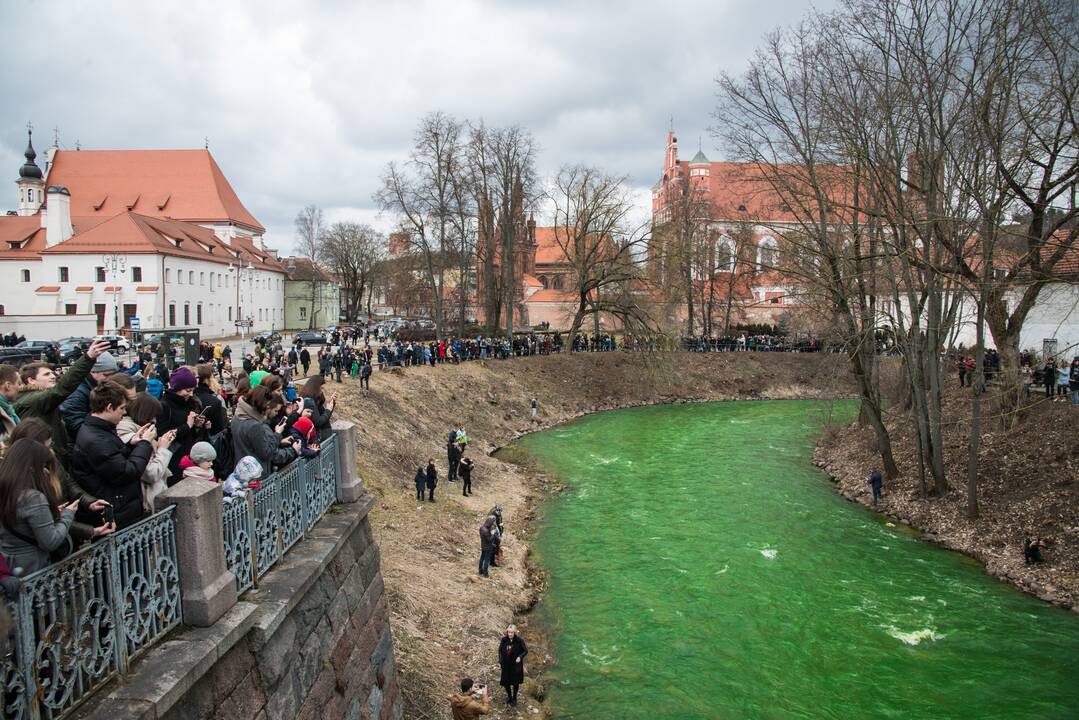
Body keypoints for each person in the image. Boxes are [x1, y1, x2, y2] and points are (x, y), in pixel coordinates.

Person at [69, 382, 160, 530]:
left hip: (121, 506)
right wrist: (145, 444)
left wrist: (133, 444)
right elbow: (126, 472)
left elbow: (114, 458)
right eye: (122, 408)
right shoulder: (96, 439)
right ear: (109, 407)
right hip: (117, 510)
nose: (124, 413)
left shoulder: (99, 430)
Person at [15, 340, 110, 467]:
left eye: (52, 373)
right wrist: (88, 358)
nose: (53, 376)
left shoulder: (36, 399)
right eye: (46, 374)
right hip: (48, 461)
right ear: (31, 380)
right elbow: (63, 387)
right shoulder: (36, 400)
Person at [0, 439, 81, 574]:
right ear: (32, 466)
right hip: (35, 569)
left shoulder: (6, 490)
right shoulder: (33, 498)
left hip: (10, 564)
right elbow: (50, 542)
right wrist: (68, 514)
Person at [116, 393, 176, 514]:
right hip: (147, 502)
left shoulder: (138, 429)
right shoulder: (130, 434)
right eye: (153, 416)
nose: (154, 420)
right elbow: (151, 474)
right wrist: (163, 449)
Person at [232, 386, 299, 472]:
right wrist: (278, 434)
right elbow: (266, 453)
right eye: (267, 405)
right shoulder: (255, 426)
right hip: (256, 474)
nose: (268, 408)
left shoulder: (238, 415)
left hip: (243, 469)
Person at [157, 367, 207, 481]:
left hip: (188, 457)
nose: (190, 394)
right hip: (173, 459)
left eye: (192, 390)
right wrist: (188, 426)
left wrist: (197, 426)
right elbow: (162, 435)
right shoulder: (164, 406)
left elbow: (191, 434)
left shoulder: (189, 403)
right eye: (188, 390)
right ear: (177, 388)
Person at [60, 350, 120, 444]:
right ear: (92, 371)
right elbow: (75, 423)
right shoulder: (77, 393)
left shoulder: (96, 385)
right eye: (106, 375)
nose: (110, 378)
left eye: (113, 374)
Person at [498, 624, 528, 706]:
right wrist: (501, 661)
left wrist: (520, 657)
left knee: (515, 682)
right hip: (506, 665)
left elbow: (525, 651)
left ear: (515, 632)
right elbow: (500, 650)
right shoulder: (504, 640)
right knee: (506, 683)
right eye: (508, 632)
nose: (510, 634)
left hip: (515, 666)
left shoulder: (519, 641)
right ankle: (509, 697)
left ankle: (514, 698)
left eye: (511, 632)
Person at [300, 376, 336, 441]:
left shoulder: (316, 399)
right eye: (321, 388)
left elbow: (325, 418)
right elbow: (318, 422)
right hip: (319, 437)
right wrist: (328, 410)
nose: (323, 391)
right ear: (315, 387)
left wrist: (331, 405)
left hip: (322, 435)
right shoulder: (309, 401)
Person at [0, 364, 20, 442]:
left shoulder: (6, 408)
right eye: (19, 383)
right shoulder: (4, 411)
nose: (20, 387)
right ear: (8, 385)